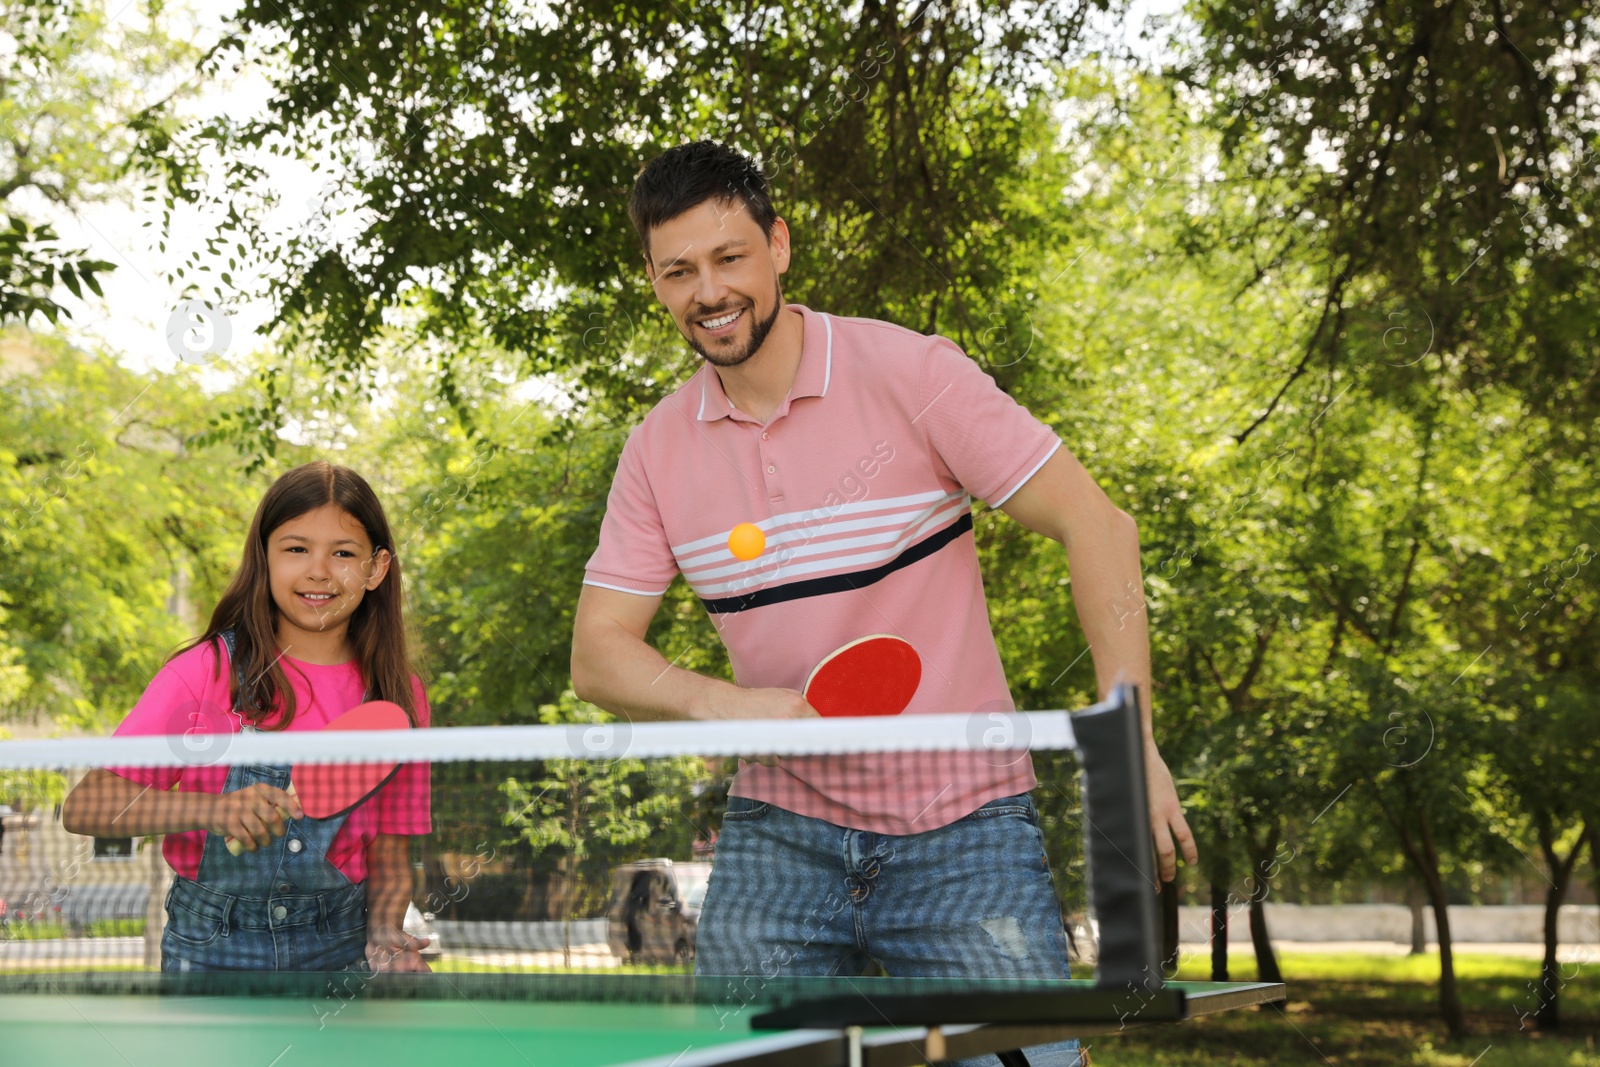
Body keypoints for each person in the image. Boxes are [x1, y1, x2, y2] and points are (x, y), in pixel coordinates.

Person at [571, 142, 1197, 1066]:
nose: (709, 291)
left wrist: (1129, 737)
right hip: (779, 836)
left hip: (967, 828)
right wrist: (730, 704)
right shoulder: (657, 449)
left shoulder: (912, 372)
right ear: (656, 283)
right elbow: (598, 652)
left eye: (730, 257)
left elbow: (1097, 524)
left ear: (779, 246)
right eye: (679, 270)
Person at [63, 461, 431, 974]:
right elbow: (86, 808)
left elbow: (391, 853)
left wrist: (387, 933)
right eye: (297, 548)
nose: (319, 571)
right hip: (210, 951)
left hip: (338, 954)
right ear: (263, 557)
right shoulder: (205, 673)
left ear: (376, 568)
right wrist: (208, 811)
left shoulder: (399, 698)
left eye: (343, 553)